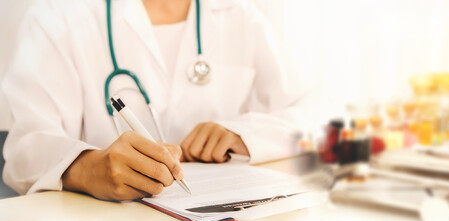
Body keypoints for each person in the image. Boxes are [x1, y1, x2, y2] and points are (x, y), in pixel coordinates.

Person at [2, 0, 309, 201]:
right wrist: (89, 167)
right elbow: (23, 149)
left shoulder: (242, 16)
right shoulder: (57, 16)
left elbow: (309, 113)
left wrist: (244, 134)